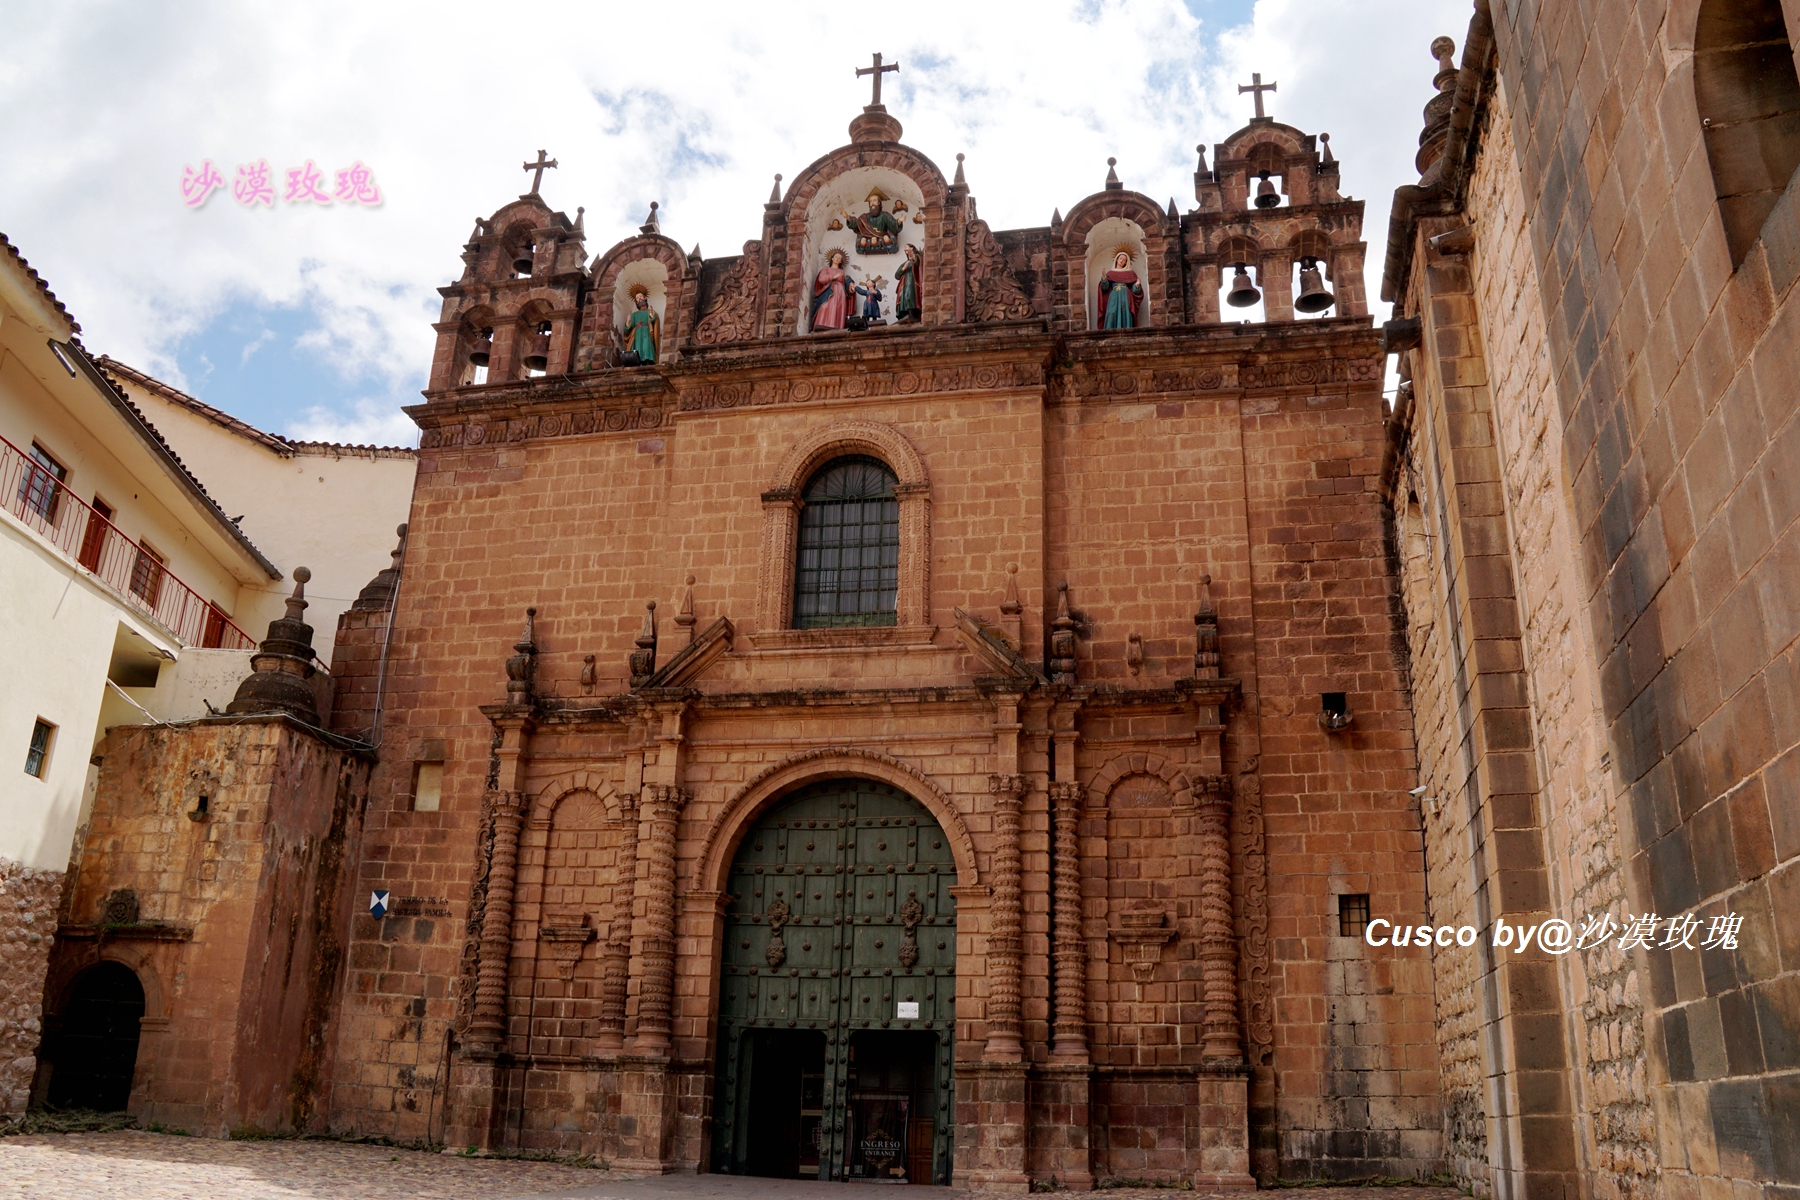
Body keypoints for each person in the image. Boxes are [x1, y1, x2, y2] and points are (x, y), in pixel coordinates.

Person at [841, 190, 903, 255]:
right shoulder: (864, 217)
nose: (872, 203)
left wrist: (899, 221)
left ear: (879, 203)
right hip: (867, 239)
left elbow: (893, 226)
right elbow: (857, 225)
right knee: (861, 241)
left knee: (889, 239)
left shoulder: (885, 215)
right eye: (870, 201)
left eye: (874, 200)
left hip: (882, 238)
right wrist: (847, 217)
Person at [1098, 248, 1143, 328]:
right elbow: (1105, 289)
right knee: (1111, 313)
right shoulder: (1111, 273)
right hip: (1114, 297)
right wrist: (1104, 278)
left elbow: (1134, 291)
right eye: (1120, 258)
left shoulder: (1130, 274)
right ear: (1117, 259)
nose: (1122, 260)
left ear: (1126, 262)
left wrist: (1137, 285)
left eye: (1124, 260)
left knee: (1126, 313)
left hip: (1125, 297)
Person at [811, 248, 853, 330]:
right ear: (832, 258)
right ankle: (822, 326)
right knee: (825, 307)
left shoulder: (841, 271)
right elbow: (821, 279)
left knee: (837, 309)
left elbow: (845, 283)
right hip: (828, 290)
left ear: (841, 261)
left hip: (840, 293)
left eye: (839, 258)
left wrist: (850, 287)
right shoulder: (826, 269)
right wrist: (833, 277)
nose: (837, 258)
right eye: (836, 257)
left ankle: (836, 327)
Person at [623, 289, 659, 362]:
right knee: (637, 350)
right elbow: (627, 331)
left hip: (647, 333)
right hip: (637, 334)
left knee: (646, 348)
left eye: (640, 297)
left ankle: (648, 361)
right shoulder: (634, 315)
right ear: (636, 302)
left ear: (645, 298)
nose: (639, 299)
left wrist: (652, 315)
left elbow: (654, 321)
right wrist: (628, 323)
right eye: (637, 298)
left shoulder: (650, 311)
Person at [894, 243, 921, 321]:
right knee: (905, 298)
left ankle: (912, 314)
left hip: (913, 282)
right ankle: (907, 314)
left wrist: (912, 255)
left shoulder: (917, 258)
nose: (904, 248)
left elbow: (918, 262)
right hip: (905, 283)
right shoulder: (905, 263)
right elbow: (896, 276)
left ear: (912, 248)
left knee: (910, 296)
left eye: (906, 247)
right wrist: (904, 268)